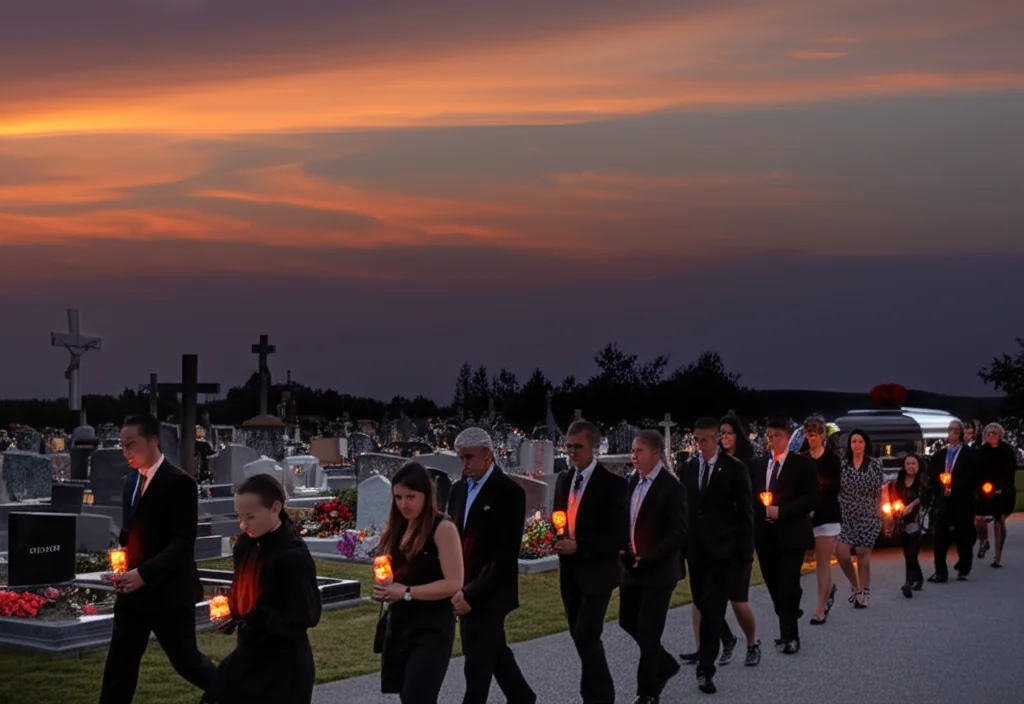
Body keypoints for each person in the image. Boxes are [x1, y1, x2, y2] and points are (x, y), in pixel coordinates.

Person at [100, 414, 217, 704]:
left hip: (168, 594)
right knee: (119, 665)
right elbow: (130, 531)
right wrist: (120, 562)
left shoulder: (179, 483)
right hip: (132, 596)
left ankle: (237, 694)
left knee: (187, 661)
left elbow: (181, 543)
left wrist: (144, 574)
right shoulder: (130, 481)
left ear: (154, 440)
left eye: (132, 444)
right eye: (122, 445)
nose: (126, 452)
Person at [206, 474, 322, 703]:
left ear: (275, 507)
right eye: (239, 517)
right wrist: (231, 611)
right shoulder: (245, 545)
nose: (243, 524)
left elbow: (307, 615)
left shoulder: (292, 556)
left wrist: (261, 619)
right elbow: (243, 591)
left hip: (282, 667)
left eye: (250, 517)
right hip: (249, 656)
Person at [447, 428, 536, 704]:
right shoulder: (458, 489)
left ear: (488, 455)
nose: (464, 465)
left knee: (476, 665)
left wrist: (471, 594)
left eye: (469, 458)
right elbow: (454, 541)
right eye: (461, 458)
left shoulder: (509, 493)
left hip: (491, 592)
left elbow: (504, 555)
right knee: (494, 654)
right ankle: (523, 698)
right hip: (463, 590)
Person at [553, 418, 629, 704]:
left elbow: (620, 535)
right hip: (569, 572)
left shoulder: (612, 485)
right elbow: (559, 518)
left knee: (586, 634)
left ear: (594, 447)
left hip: (598, 572)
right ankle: (592, 695)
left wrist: (581, 545)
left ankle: (603, 696)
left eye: (578, 447)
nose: (572, 452)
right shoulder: (563, 479)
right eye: (569, 446)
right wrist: (552, 537)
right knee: (580, 636)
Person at [376, 462, 464, 704]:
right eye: (398, 497)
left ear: (427, 494)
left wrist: (405, 592)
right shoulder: (399, 527)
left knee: (419, 696)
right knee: (407, 695)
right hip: (401, 625)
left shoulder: (442, 528)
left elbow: (454, 582)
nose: (404, 504)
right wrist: (387, 585)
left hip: (432, 628)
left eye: (411, 497)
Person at [681, 418, 755, 695]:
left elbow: (746, 513)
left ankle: (705, 669)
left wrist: (745, 553)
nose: (699, 445)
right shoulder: (689, 468)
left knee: (712, 607)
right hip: (696, 551)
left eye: (704, 440)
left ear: (716, 439)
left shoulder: (735, 469)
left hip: (723, 552)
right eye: (696, 440)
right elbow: (685, 508)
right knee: (702, 602)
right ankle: (726, 637)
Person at [619, 429, 686, 703]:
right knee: (627, 621)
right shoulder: (634, 481)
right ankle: (666, 663)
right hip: (633, 567)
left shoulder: (672, 487)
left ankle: (647, 693)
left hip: (658, 571)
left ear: (656, 454)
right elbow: (628, 520)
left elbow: (677, 532)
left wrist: (649, 557)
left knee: (648, 631)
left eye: (639, 451)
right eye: (633, 451)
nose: (633, 456)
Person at [750, 417, 820, 654]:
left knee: (788, 584)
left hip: (792, 533)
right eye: (768, 436)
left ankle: (792, 635)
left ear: (788, 437)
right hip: (765, 535)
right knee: (774, 584)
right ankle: (786, 622)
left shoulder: (803, 465)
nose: (771, 440)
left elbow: (812, 498)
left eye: (776, 435)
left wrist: (782, 511)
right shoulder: (758, 465)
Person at [835, 429, 884, 608]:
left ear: (866, 445)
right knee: (841, 554)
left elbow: (880, 489)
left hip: (868, 515)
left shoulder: (875, 464)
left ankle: (864, 591)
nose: (856, 445)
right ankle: (855, 586)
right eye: (854, 441)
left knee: (863, 556)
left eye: (860, 441)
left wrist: (883, 514)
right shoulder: (843, 465)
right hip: (846, 515)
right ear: (850, 445)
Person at [928, 420, 979, 582]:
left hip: (963, 500)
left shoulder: (969, 454)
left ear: (963, 434)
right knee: (940, 535)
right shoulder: (940, 454)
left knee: (964, 535)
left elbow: (973, 476)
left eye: (957, 430)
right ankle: (940, 571)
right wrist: (941, 485)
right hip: (944, 501)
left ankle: (964, 566)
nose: (954, 432)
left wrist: (955, 486)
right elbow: (932, 473)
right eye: (951, 430)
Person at [802, 416, 841, 624]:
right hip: (807, 517)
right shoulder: (802, 459)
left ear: (823, 435)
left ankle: (820, 609)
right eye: (809, 434)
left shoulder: (832, 460)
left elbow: (834, 488)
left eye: (815, 434)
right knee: (811, 558)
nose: (812, 438)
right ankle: (828, 591)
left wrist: (816, 498)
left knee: (822, 563)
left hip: (827, 516)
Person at [978, 423, 1017, 568]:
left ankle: (997, 558)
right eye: (987, 434)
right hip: (985, 488)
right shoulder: (982, 451)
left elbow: (1010, 472)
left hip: (1003, 490)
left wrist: (1001, 488)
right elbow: (977, 471)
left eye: (993, 433)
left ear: (1000, 435)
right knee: (979, 518)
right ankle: (984, 541)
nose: (990, 436)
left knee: (999, 519)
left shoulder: (1007, 451)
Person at [891, 454, 930, 597]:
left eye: (913, 464)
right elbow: (894, 497)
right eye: (908, 464)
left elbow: (925, 498)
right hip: (903, 521)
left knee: (912, 552)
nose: (910, 467)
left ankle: (909, 582)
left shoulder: (923, 481)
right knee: (908, 553)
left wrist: (911, 506)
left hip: (918, 521)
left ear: (918, 465)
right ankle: (916, 579)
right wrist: (899, 508)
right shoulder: (899, 481)